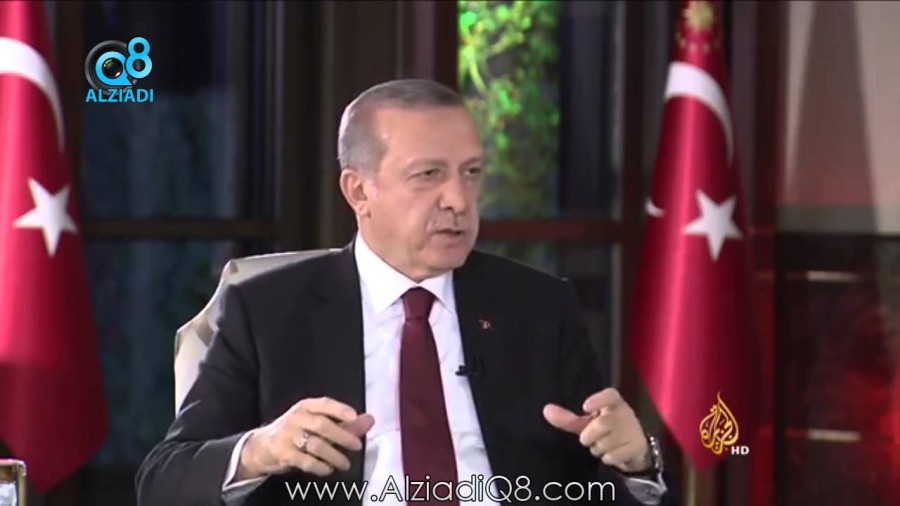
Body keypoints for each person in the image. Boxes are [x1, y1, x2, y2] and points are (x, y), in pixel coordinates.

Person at [136, 79, 672, 505]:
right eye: (429, 175)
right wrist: (263, 448)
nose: (458, 200)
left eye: (470, 173)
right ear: (359, 190)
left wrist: (635, 463)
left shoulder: (537, 307)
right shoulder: (268, 311)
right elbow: (163, 481)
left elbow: (599, 485)